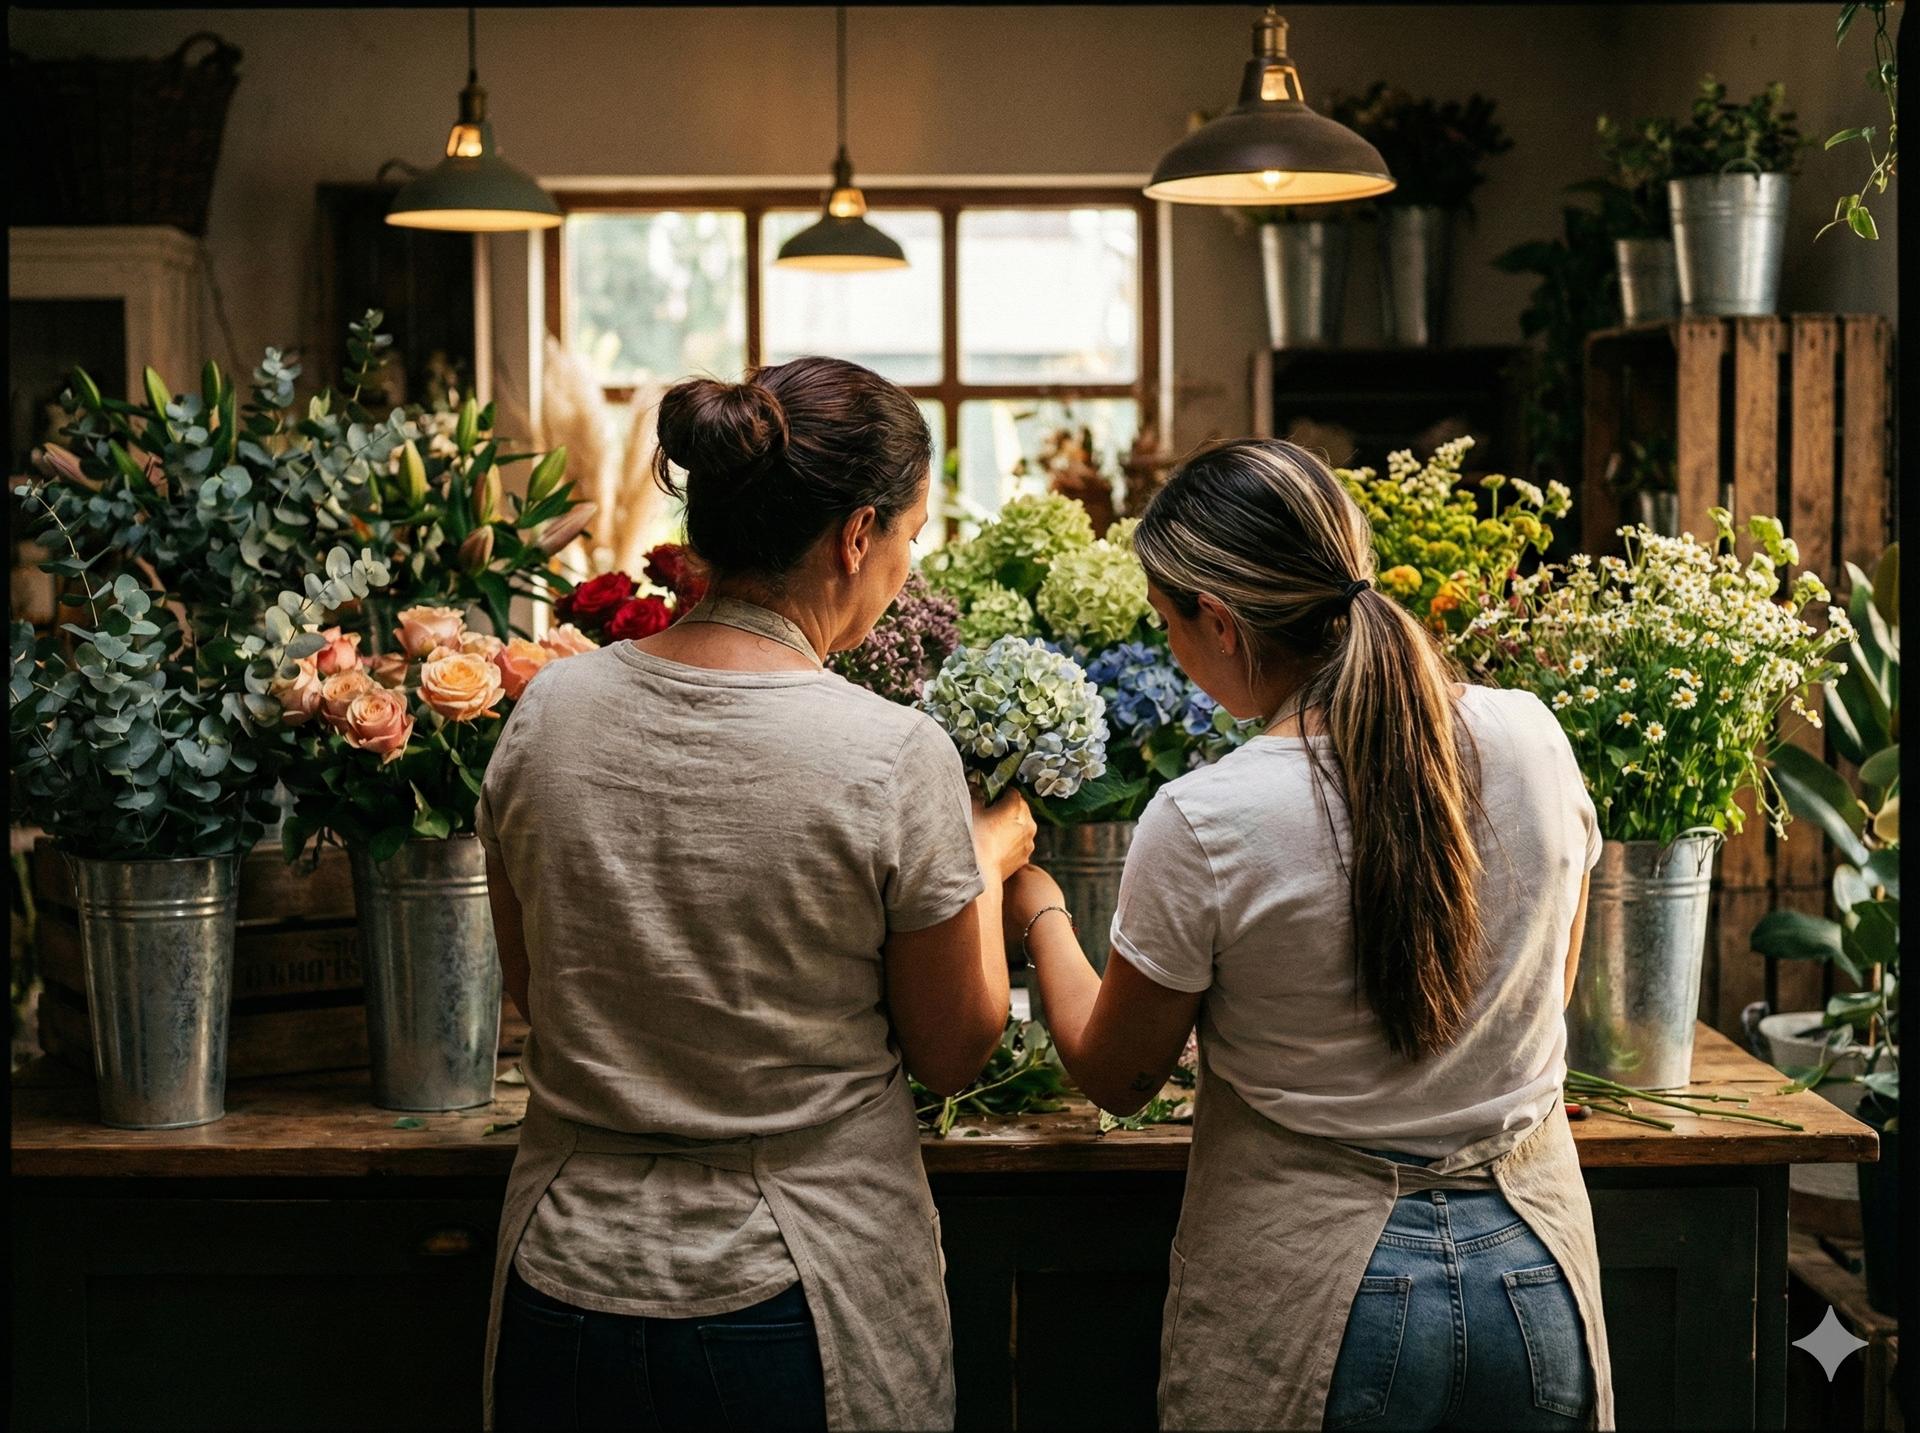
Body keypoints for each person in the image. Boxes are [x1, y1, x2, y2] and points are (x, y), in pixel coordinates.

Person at [1010, 438, 1615, 1430]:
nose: (1173, 653)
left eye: (1170, 625)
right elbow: (1543, 988)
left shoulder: (1208, 816)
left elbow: (1119, 1075)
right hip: (1534, 1272)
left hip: (1325, 1300)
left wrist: (1037, 906)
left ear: (1221, 620)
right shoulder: (1531, 736)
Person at [477, 356, 1034, 1432]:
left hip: (565, 1274)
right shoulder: (890, 752)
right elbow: (954, 1049)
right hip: (797, 1286)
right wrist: (981, 860)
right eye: (912, 537)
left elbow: (539, 993)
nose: (907, 572)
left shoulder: (551, 714)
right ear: (856, 534)